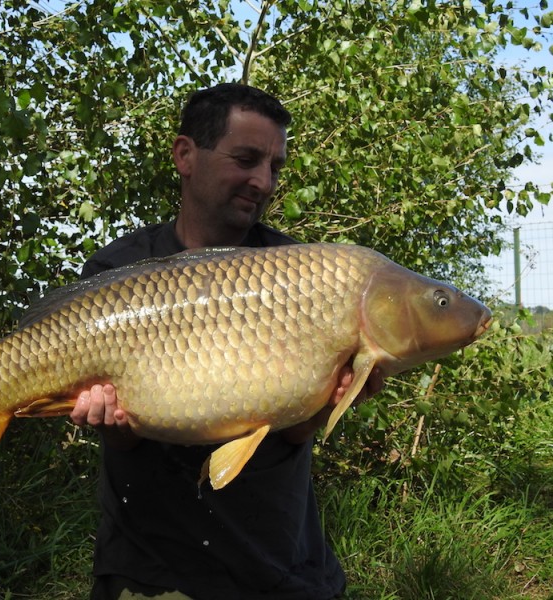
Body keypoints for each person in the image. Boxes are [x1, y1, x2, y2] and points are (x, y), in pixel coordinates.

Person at [70, 83, 381, 600]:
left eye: (275, 167)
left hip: (280, 563)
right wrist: (111, 421)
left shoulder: (302, 273)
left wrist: (330, 401)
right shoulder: (117, 271)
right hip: (153, 568)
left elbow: (294, 432)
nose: (263, 181)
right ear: (185, 155)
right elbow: (123, 441)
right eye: (246, 158)